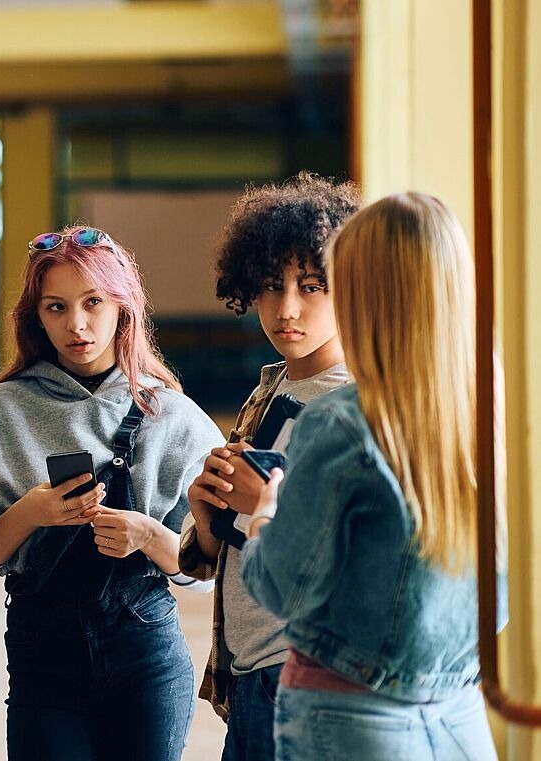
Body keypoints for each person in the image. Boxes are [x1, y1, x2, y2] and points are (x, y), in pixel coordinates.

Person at [0, 225, 223, 761]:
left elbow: (205, 574)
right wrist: (31, 512)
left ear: (123, 307)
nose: (76, 324)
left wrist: (145, 534)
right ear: (36, 316)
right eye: (56, 307)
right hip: (43, 664)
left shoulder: (175, 417)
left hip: (146, 659)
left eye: (93, 302)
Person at [240, 192, 497, 760]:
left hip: (347, 711)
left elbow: (283, 587)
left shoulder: (342, 422)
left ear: (361, 294)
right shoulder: (498, 415)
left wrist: (263, 512)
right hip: (461, 704)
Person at [177, 172, 360, 761]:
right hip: (248, 668)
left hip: (311, 671)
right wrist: (207, 515)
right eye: (270, 286)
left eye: (312, 287)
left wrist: (264, 508)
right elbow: (223, 555)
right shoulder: (272, 386)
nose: (287, 309)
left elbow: (373, 559)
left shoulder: (363, 402)